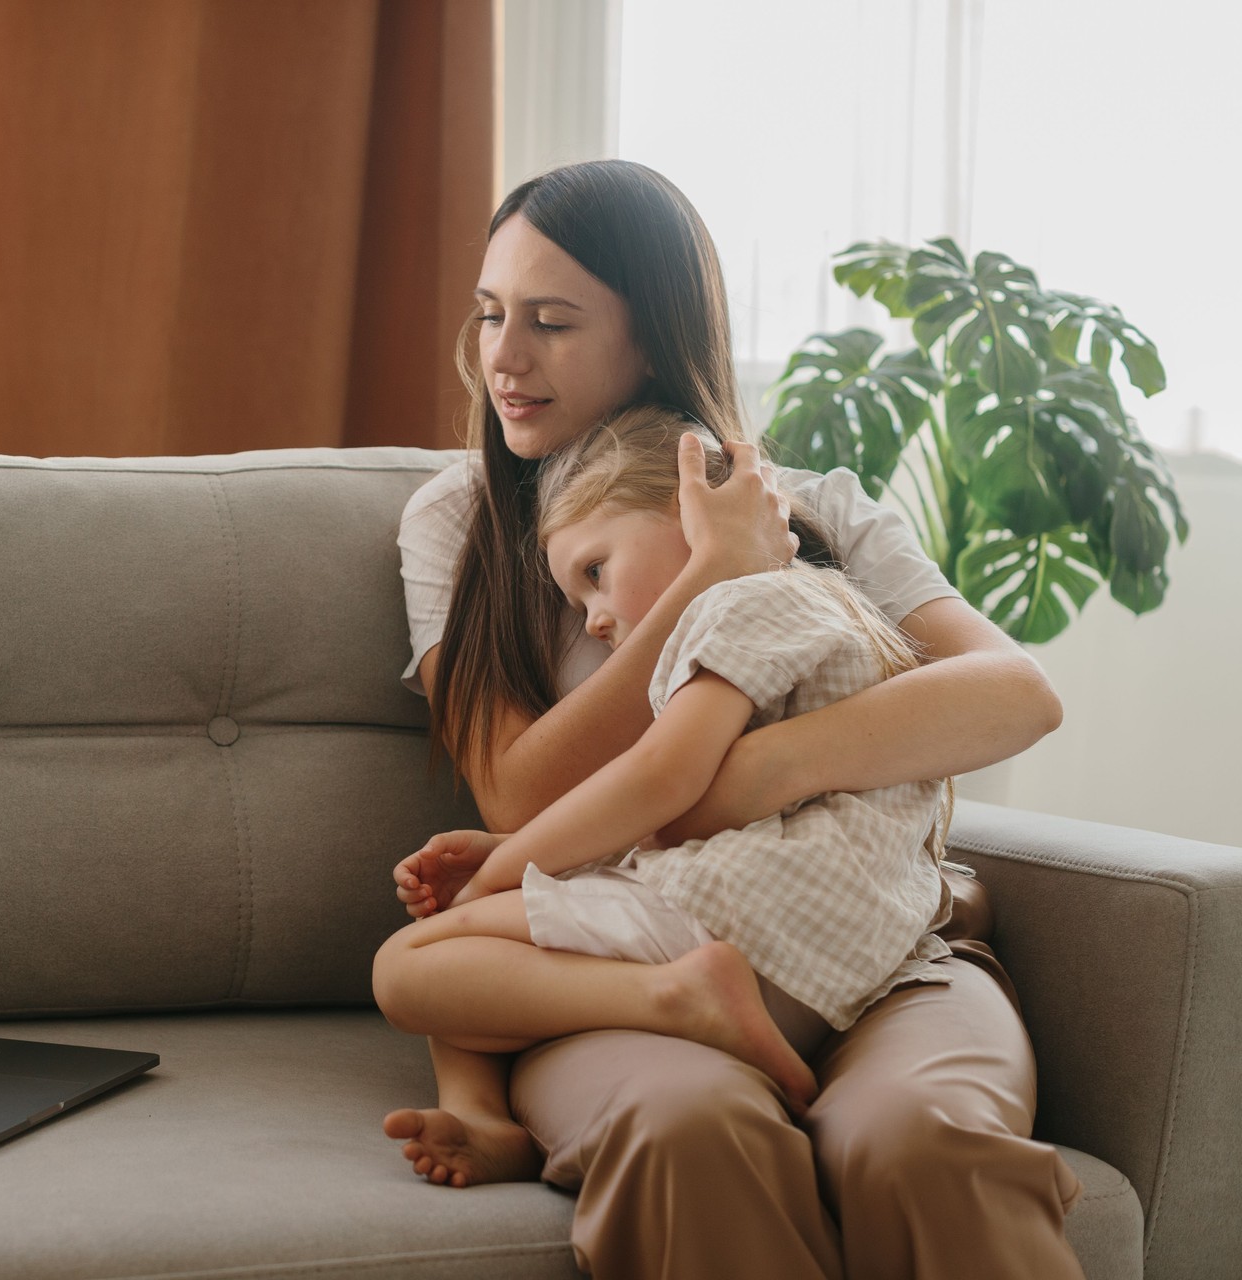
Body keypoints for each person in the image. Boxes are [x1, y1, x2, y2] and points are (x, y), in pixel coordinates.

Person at [382, 159, 1084, 1280]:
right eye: (491, 314)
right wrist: (712, 578)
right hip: (647, 960)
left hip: (880, 946)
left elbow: (1015, 693)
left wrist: (751, 775)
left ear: (655, 339)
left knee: (922, 1138)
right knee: (691, 1130)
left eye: (552, 322)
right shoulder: (458, 523)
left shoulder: (821, 508)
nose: (503, 357)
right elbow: (516, 789)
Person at [377, 405, 962, 1143]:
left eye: (596, 573)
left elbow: (662, 778)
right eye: (578, 598)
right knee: (470, 948)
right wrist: (509, 857)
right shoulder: (806, 607)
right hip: (812, 932)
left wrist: (505, 874)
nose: (591, 619)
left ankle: (677, 997)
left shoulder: (746, 604)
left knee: (411, 964)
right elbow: (678, 809)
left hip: (766, 926)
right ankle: (483, 1119)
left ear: (688, 514)